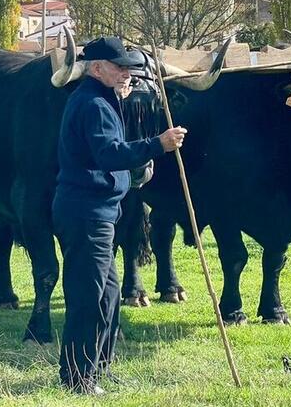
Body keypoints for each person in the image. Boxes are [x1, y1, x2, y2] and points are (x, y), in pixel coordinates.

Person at [53, 37, 186, 395]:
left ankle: (97, 370)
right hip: (86, 214)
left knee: (109, 294)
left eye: (129, 67)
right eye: (120, 67)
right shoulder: (94, 104)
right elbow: (109, 155)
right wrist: (158, 144)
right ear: (97, 68)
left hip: (96, 212)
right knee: (89, 297)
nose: (128, 73)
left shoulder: (99, 99)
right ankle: (78, 379)